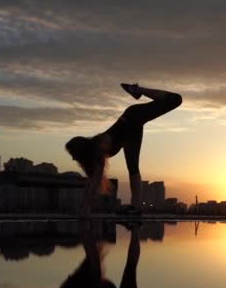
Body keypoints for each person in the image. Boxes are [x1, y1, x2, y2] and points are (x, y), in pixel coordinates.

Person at [66, 84, 182, 218]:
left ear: (81, 150)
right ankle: (136, 207)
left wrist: (85, 208)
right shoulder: (96, 152)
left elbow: (95, 182)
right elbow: (92, 182)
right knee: (133, 168)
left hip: (133, 117)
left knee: (176, 99)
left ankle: (137, 90)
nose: (74, 159)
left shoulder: (98, 147)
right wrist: (84, 207)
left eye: (74, 155)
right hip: (130, 133)